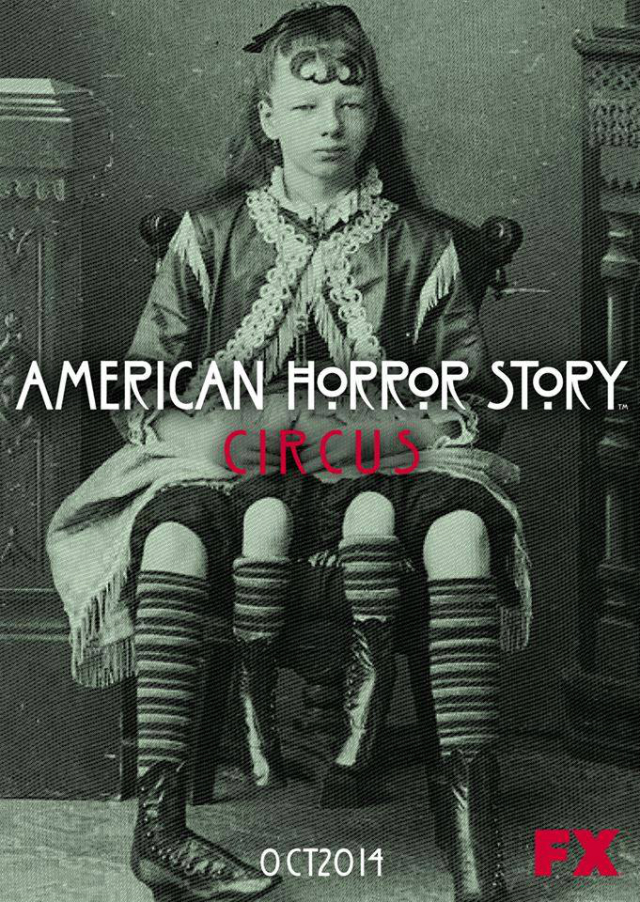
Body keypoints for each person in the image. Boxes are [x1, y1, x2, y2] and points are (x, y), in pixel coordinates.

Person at [46, 3, 532, 900]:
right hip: (238, 469)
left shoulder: (420, 244)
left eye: (350, 102)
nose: (329, 124)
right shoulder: (210, 234)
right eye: (306, 105)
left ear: (375, 114)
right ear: (268, 117)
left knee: (462, 531)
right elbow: (140, 390)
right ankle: (161, 834)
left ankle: (475, 843)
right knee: (171, 538)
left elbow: (472, 400)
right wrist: (239, 432)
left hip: (381, 468)